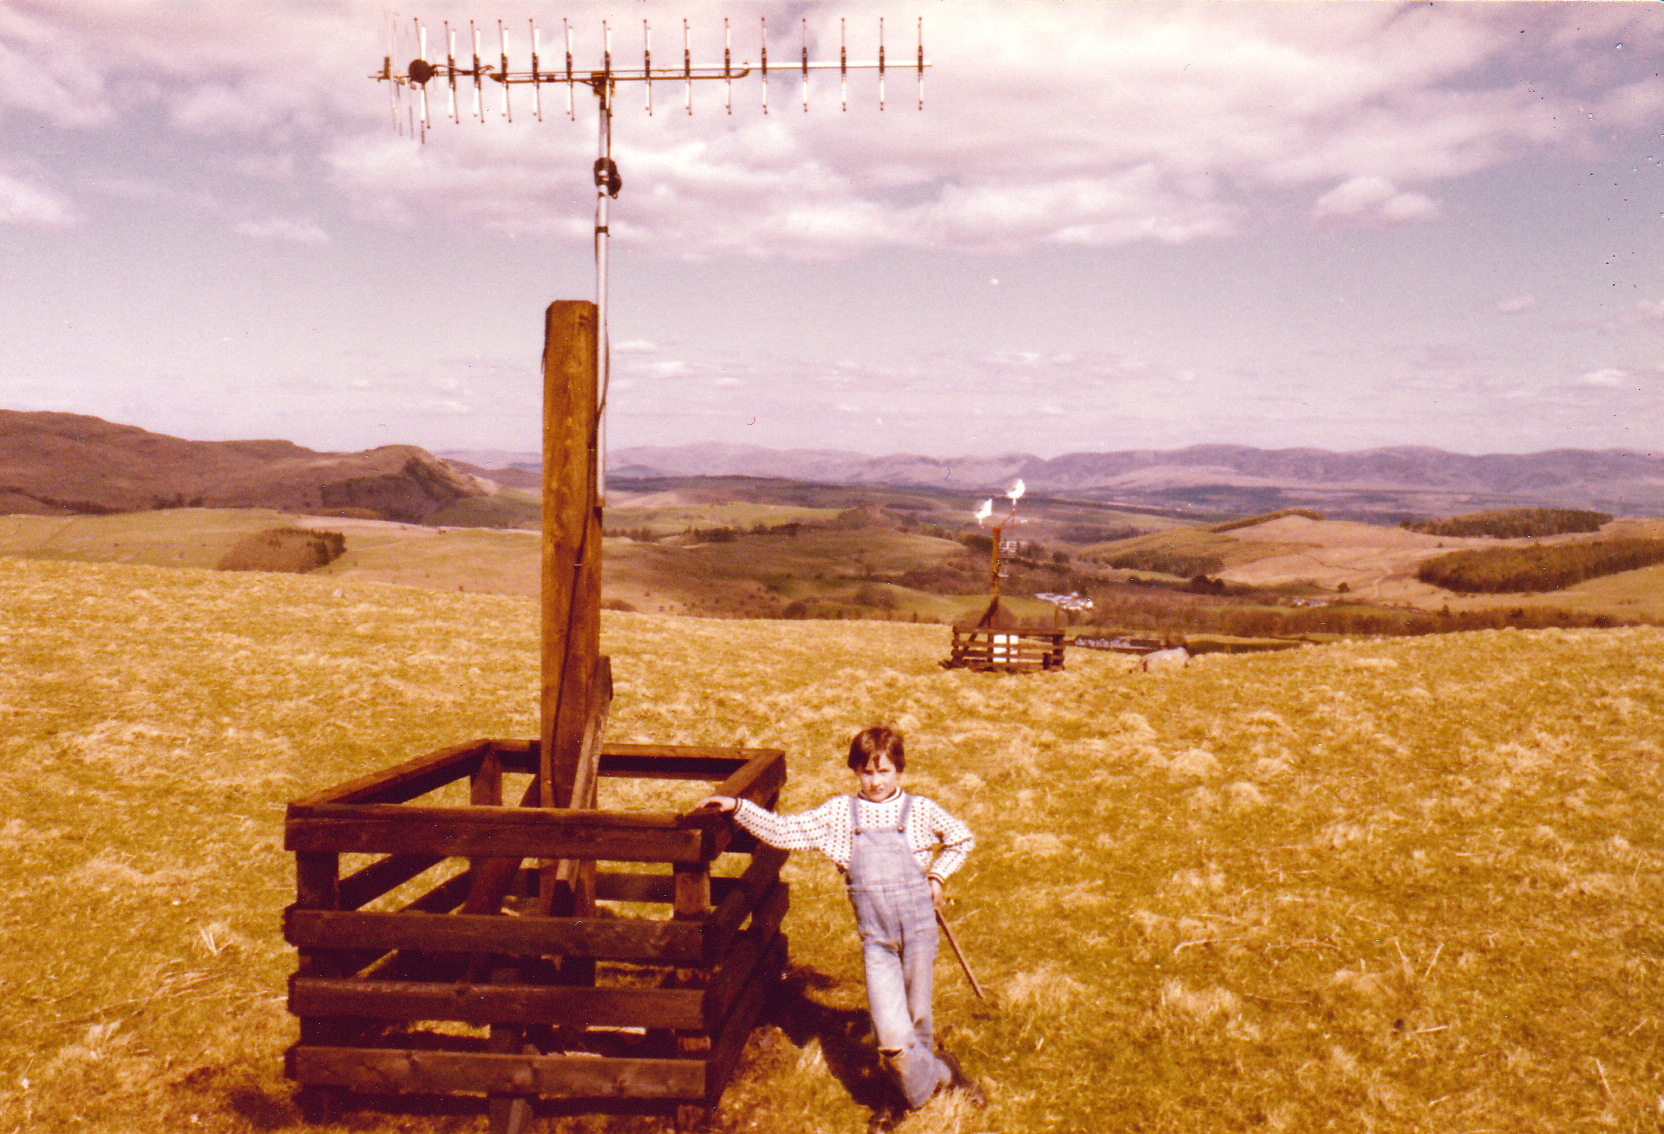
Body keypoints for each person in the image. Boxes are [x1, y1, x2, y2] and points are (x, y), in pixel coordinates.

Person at [699, 726, 984, 1130]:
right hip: (878, 944)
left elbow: (961, 837)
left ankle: (893, 1099)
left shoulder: (918, 810)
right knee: (890, 1037)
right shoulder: (839, 815)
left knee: (918, 1020)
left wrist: (936, 877)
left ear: (898, 770)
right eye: (867, 772)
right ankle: (944, 1074)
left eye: (885, 771)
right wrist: (737, 807)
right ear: (855, 771)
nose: (877, 781)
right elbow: (786, 830)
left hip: (920, 934)